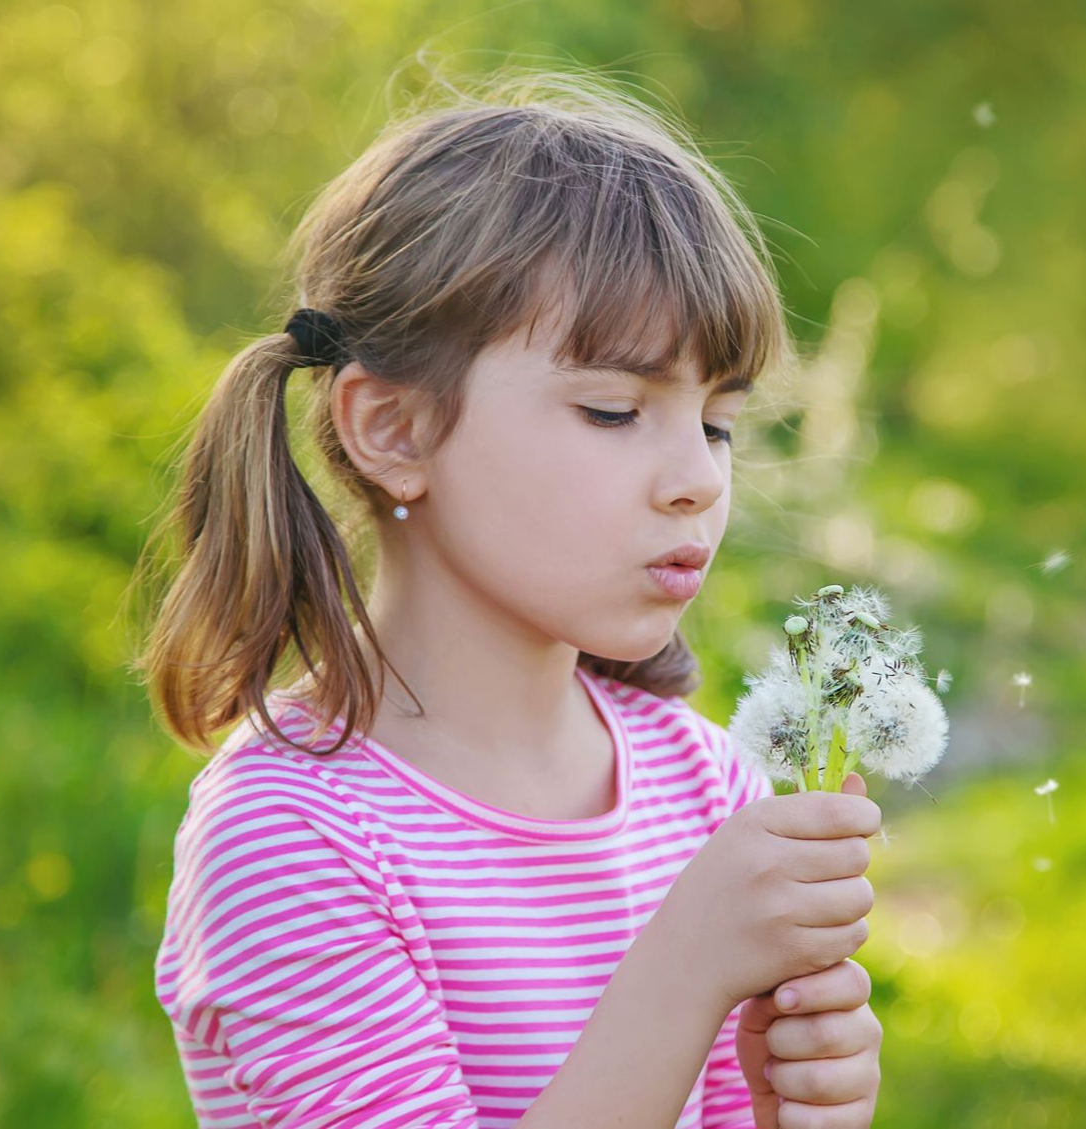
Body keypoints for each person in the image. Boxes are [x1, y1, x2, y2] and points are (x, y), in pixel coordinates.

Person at [139, 67, 883, 1128]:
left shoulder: (705, 785)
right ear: (393, 430)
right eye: (615, 410)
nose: (699, 478)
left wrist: (797, 1111)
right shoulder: (293, 836)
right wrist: (684, 966)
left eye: (715, 422)